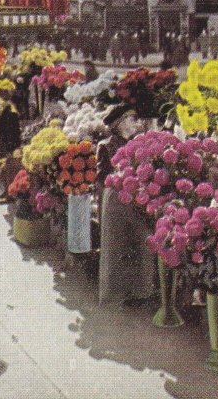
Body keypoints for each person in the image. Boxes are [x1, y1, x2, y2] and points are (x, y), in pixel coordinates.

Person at [98, 107, 156, 306]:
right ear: (120, 123)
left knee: (140, 241)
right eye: (132, 119)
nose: (136, 123)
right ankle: (118, 293)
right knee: (118, 245)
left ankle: (139, 292)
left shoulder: (138, 144)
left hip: (135, 200)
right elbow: (101, 180)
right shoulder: (106, 146)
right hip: (116, 200)